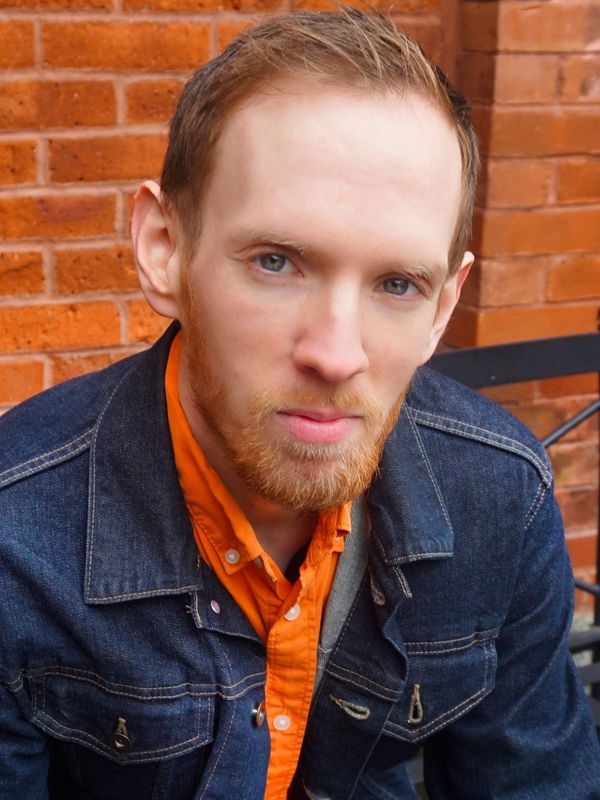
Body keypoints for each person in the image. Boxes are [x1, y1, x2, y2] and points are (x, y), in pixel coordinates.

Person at [0, 8, 598, 799]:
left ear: (445, 306)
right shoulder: (17, 539)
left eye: (397, 284)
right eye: (276, 261)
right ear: (164, 251)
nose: (337, 353)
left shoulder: (500, 498)